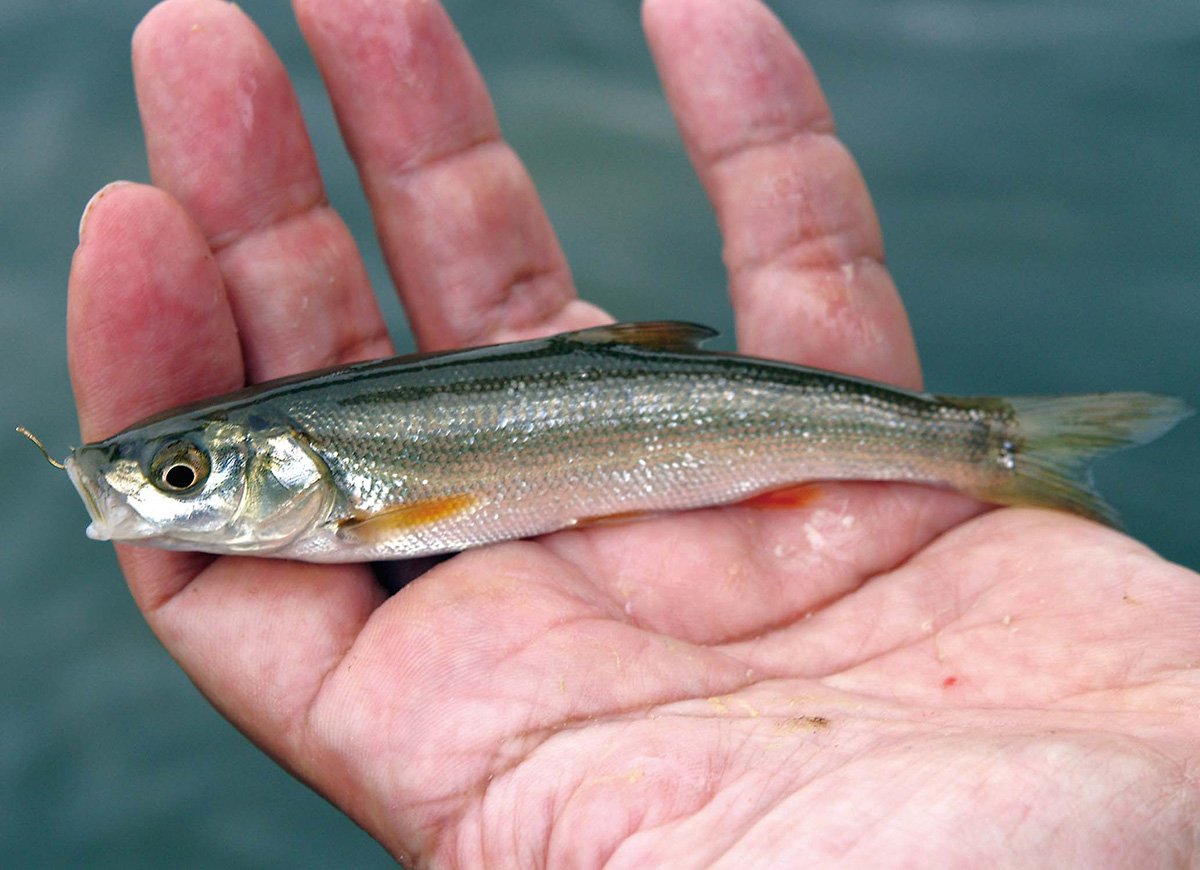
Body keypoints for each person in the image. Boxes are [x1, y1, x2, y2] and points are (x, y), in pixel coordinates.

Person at [68, 0, 1198, 864]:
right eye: (177, 477)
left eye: (177, 475)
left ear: (284, 465)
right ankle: (988, 447)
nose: (160, 498)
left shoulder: (362, 506)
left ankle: (984, 448)